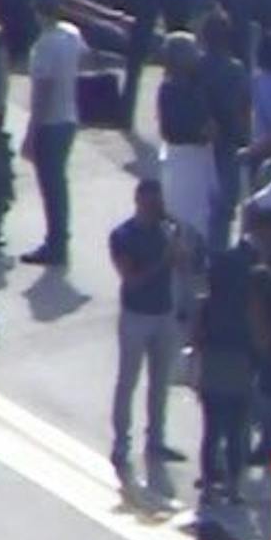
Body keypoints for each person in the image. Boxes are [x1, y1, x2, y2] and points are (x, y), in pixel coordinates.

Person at [109, 177, 185, 471]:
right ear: (139, 201)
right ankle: (121, 442)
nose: (157, 208)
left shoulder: (166, 231)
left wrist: (179, 254)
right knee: (128, 381)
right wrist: (164, 261)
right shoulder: (124, 235)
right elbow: (132, 280)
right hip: (136, 316)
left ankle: (156, 440)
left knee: (160, 381)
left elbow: (185, 266)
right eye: (151, 202)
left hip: (163, 313)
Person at [22, 0, 83, 266]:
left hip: (50, 123)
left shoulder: (43, 45)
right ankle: (60, 240)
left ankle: (55, 244)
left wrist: (31, 133)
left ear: (36, 11)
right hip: (69, 118)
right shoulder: (71, 34)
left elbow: (42, 92)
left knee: (51, 186)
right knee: (59, 183)